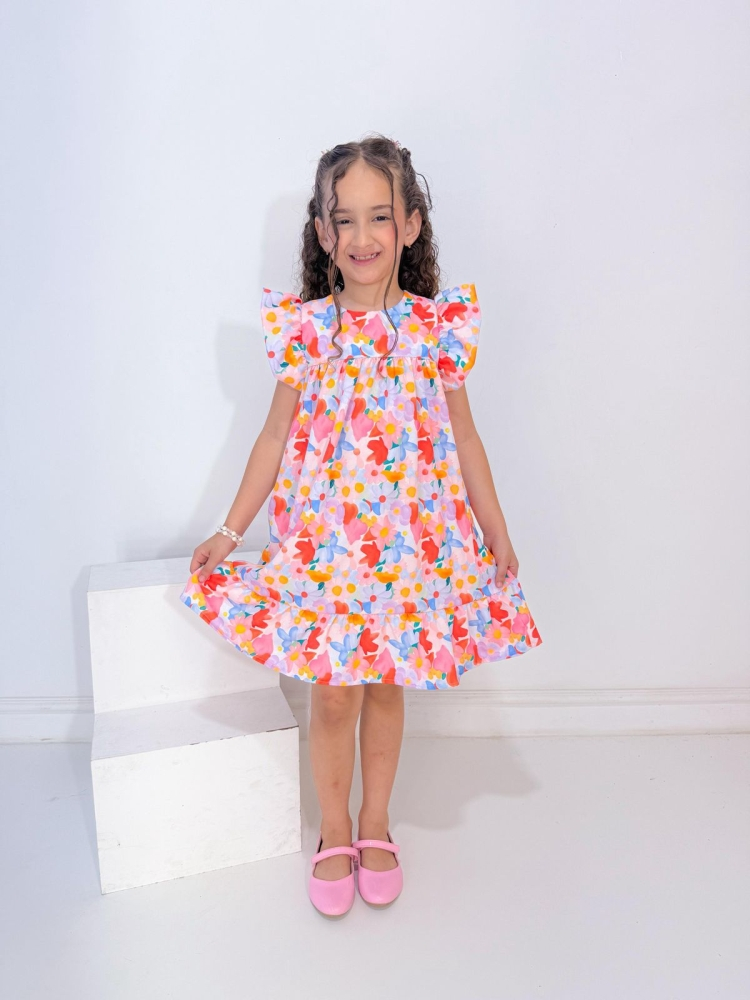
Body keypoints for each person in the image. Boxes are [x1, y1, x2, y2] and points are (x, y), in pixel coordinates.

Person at [179, 133, 543, 916]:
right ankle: (335, 828)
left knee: (383, 684)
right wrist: (230, 530)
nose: (363, 236)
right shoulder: (309, 331)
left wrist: (496, 528)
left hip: (411, 549)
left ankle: (376, 822)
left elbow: (466, 439)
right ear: (322, 232)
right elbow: (273, 437)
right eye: (344, 220)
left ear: (410, 225)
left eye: (380, 216)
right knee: (335, 694)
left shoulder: (436, 329)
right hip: (327, 551)